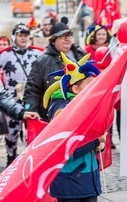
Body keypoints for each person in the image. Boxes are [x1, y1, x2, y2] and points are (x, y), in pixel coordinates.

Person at [42, 52, 106, 202]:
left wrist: (98, 145)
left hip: (84, 180)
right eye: (90, 85)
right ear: (76, 89)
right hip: (71, 183)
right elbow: (64, 150)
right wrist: (96, 141)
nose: (95, 89)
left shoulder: (82, 106)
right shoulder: (63, 111)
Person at [23, 18, 87, 122]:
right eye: (62, 37)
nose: (67, 39)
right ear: (53, 41)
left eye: (69, 35)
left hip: (81, 112)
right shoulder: (42, 62)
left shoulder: (81, 55)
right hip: (53, 116)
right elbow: (32, 89)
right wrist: (31, 111)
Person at [0, 23, 42, 166]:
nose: (23, 38)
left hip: (31, 98)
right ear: (14, 36)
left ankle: (27, 160)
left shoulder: (37, 53)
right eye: (20, 35)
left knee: (31, 130)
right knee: (11, 132)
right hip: (11, 100)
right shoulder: (5, 54)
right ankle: (11, 158)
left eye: (25, 35)